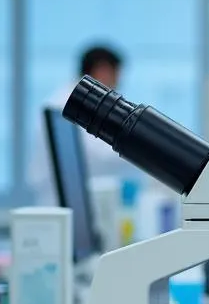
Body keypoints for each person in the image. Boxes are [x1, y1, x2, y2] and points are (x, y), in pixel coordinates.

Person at [28, 44, 133, 202]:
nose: (117, 86)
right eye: (116, 77)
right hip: (56, 199)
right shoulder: (70, 103)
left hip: (65, 197)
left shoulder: (73, 99)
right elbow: (99, 154)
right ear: (102, 71)